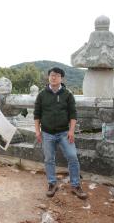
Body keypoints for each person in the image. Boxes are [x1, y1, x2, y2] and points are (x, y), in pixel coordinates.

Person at [34, 67, 87, 200]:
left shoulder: (67, 94)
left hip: (64, 132)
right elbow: (37, 114)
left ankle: (75, 185)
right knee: (49, 159)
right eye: (51, 75)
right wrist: (37, 131)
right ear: (48, 77)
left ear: (61, 78)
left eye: (57, 75)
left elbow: (73, 114)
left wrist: (71, 131)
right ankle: (52, 183)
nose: (53, 77)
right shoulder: (42, 94)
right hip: (47, 133)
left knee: (72, 156)